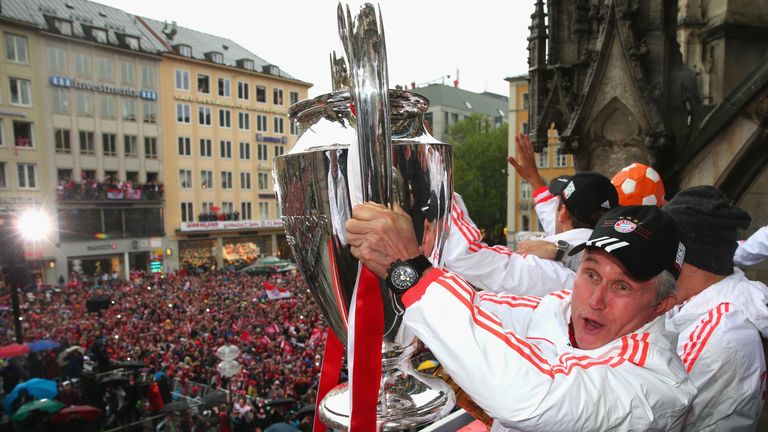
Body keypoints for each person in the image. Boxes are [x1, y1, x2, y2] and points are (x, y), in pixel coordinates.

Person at [346, 204, 695, 430]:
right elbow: (480, 310)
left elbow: (531, 397)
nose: (596, 300)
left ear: (662, 305)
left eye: (622, 287)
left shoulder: (658, 386)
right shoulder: (559, 308)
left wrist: (413, 272)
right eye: (591, 273)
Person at [662, 186, 768, 431]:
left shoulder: (717, 334)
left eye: (662, 252)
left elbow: (652, 414)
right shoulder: (697, 302)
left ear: (692, 261)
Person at [442, 169, 618, 295]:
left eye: (555, 204)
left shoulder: (551, 269)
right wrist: (535, 181)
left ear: (563, 212)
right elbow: (564, 228)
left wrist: (438, 185)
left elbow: (463, 257)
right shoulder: (609, 256)